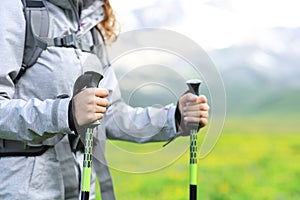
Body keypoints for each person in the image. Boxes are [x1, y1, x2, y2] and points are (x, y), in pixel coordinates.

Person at [0, 0, 210, 200]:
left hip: (80, 188)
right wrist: (66, 113)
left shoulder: (90, 28)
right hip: (19, 188)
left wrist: (173, 118)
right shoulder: (13, 9)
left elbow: (109, 114)